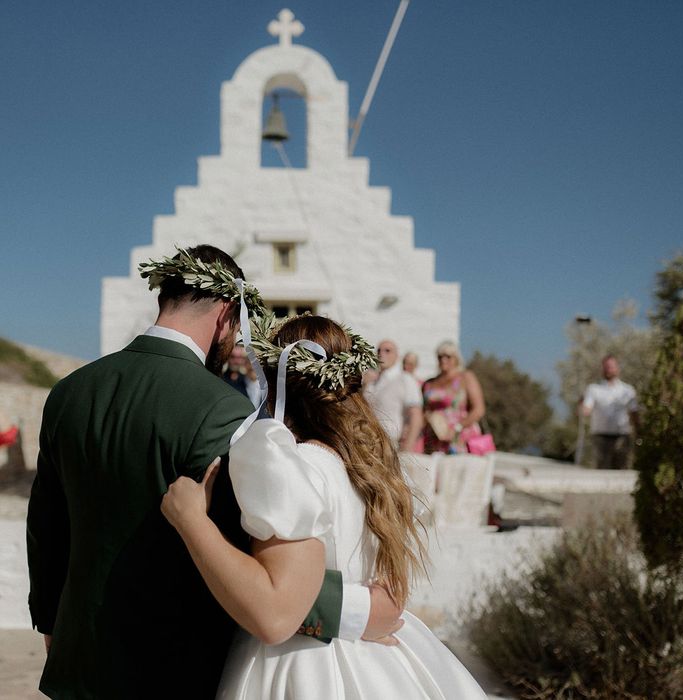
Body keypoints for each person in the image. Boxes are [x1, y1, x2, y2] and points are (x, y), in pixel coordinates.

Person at [26, 246, 401, 699]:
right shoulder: (225, 411)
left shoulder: (69, 393)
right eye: (239, 329)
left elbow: (46, 527)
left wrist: (51, 623)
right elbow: (256, 556)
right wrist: (354, 611)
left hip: (78, 661)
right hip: (174, 667)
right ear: (226, 314)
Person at [161, 315, 486, 699]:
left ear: (274, 382)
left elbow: (275, 611)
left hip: (303, 665)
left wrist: (191, 520)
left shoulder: (292, 465)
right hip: (381, 661)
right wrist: (359, 610)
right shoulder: (373, 467)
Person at [422, 341, 486, 454]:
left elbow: (479, 409)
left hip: (459, 436)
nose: (443, 359)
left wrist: (457, 428)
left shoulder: (465, 378)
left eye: (448, 356)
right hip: (434, 437)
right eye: (440, 356)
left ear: (456, 358)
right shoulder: (429, 383)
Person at [580, 354, 640, 469]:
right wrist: (581, 406)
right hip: (600, 438)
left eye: (611, 366)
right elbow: (586, 410)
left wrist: (638, 431)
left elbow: (634, 413)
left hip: (622, 437)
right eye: (606, 367)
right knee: (601, 471)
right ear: (602, 368)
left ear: (617, 368)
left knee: (621, 470)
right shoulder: (593, 389)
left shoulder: (628, 390)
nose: (609, 369)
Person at [364, 339, 423, 452]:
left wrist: (406, 449)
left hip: (392, 446)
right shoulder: (372, 384)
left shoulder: (405, 379)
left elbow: (416, 416)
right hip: (369, 445)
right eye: (379, 350)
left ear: (397, 356)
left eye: (387, 351)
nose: (382, 354)